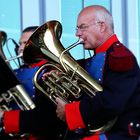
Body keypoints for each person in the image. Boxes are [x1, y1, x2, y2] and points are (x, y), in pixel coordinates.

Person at [54, 5, 140, 140]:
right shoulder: (94, 59)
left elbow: (112, 103)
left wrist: (70, 111)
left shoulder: (121, 57)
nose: (77, 33)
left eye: (82, 27)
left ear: (101, 26)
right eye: (77, 29)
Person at [0, 25, 67, 140]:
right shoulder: (16, 73)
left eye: (25, 43)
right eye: (20, 43)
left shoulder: (51, 71)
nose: (20, 48)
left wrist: (4, 117)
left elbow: (49, 116)